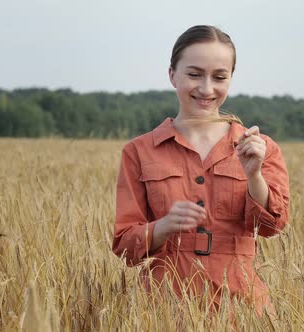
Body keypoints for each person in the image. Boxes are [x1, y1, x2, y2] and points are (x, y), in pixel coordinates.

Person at [111, 25, 290, 316]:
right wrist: (164, 226)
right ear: (172, 75)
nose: (207, 89)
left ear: (231, 79)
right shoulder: (138, 151)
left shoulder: (259, 147)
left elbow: (271, 227)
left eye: (219, 77)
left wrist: (254, 175)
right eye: (194, 74)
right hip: (164, 308)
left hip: (240, 309)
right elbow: (124, 245)